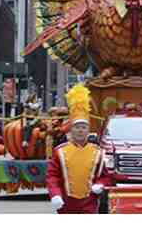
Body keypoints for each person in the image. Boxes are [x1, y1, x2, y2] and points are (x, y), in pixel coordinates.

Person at [45, 84, 110, 214]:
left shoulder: (98, 151)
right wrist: (55, 194)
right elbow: (52, 176)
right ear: (71, 129)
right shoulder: (60, 151)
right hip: (65, 202)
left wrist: (100, 184)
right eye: (77, 127)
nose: (80, 130)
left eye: (83, 127)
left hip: (89, 202)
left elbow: (106, 175)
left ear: (88, 130)